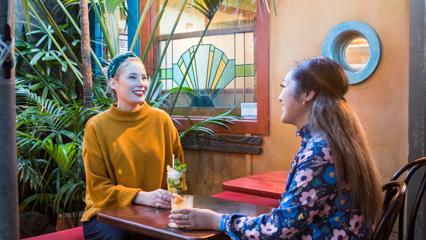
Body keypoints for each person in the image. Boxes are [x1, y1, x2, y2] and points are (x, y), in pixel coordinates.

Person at [169, 57, 383, 239]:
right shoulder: (330, 140)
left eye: (284, 87)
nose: (280, 97)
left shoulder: (320, 151)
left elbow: (279, 229)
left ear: (307, 94)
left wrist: (217, 220)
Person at [81, 52, 184, 240]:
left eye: (144, 77)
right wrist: (142, 197)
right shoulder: (96, 126)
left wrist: (172, 198)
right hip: (106, 214)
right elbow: (98, 188)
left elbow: (177, 168)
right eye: (132, 77)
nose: (141, 83)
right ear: (113, 84)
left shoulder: (162, 120)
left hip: (155, 211)